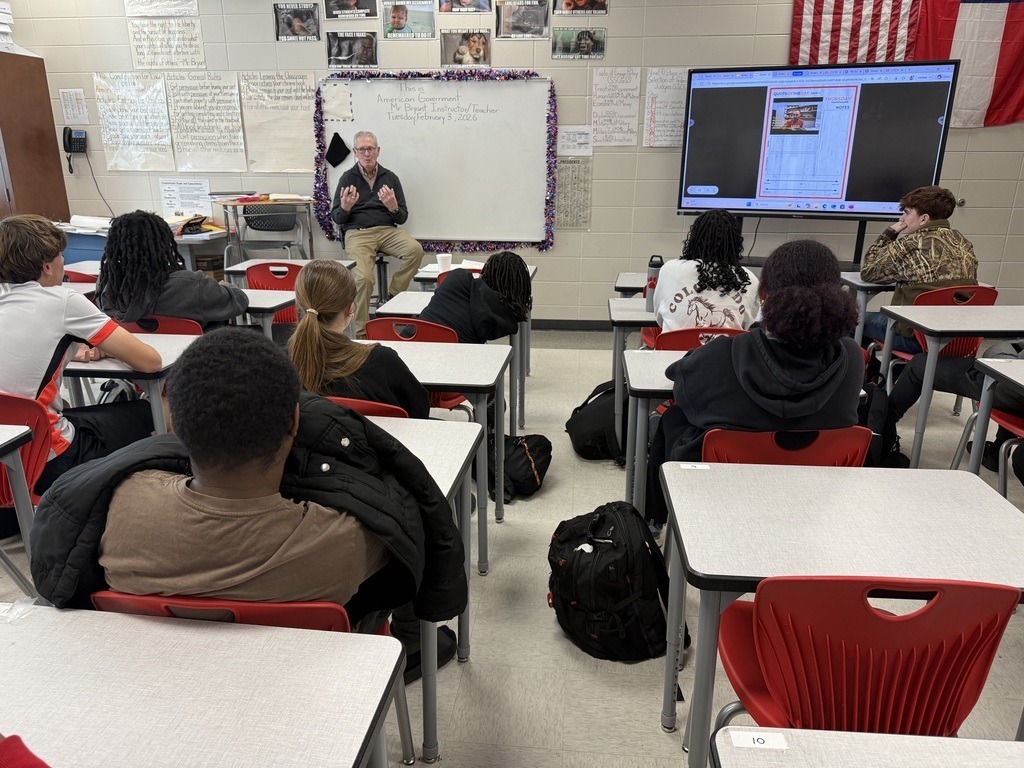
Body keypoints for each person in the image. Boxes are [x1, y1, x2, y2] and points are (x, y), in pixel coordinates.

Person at [31, 328, 468, 665]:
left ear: (174, 424)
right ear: (294, 421)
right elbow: (396, 504)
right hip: (306, 686)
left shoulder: (116, 510)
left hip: (159, 686)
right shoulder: (348, 539)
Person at [645, 240, 864, 528]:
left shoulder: (724, 354)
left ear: (762, 294)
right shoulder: (851, 358)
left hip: (725, 490)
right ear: (838, 295)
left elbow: (680, 380)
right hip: (816, 490)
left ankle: (655, 522)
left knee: (673, 418)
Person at [0, 214, 161, 510]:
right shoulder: (63, 301)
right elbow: (150, 362)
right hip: (43, 461)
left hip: (5, 457)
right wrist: (109, 346)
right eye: (62, 255)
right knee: (152, 412)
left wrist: (74, 347)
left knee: (75, 413)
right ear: (47, 266)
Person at [289, 259, 429, 417]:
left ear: (299, 306)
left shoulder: (283, 361)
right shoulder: (381, 361)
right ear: (350, 309)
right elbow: (420, 410)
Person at [860, 185, 977, 354]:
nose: (902, 218)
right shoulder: (963, 242)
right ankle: (899, 374)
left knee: (850, 321)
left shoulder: (910, 244)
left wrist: (889, 234)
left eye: (907, 213)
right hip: (957, 339)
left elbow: (868, 272)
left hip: (917, 337)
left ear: (923, 219)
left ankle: (865, 376)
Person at [888, 340, 1024, 482]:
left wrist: (998, 352)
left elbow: (1009, 367)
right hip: (1013, 388)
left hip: (1009, 387)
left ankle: (881, 434)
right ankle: (997, 450)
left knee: (919, 365)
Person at [331, 131, 424, 338]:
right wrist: (345, 208)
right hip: (358, 232)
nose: (367, 153)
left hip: (387, 230)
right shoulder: (347, 178)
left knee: (415, 250)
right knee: (363, 278)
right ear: (355, 152)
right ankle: (362, 332)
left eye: (370, 148)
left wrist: (393, 208)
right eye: (362, 149)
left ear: (378, 151)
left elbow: (402, 218)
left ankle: (393, 297)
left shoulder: (390, 178)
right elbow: (337, 218)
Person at [96, 210, 248, 329]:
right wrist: (228, 287)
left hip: (129, 359)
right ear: (164, 243)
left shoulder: (108, 287)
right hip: (189, 360)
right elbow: (239, 301)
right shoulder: (191, 285)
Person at [652, 209, 759, 334]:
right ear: (735, 243)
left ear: (694, 239)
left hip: (673, 352)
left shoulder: (669, 270)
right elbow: (744, 326)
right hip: (726, 353)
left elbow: (660, 318)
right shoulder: (749, 280)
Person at [418, 251, 532, 344]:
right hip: (456, 361)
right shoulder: (504, 316)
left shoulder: (457, 278)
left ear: (485, 272)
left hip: (412, 345)